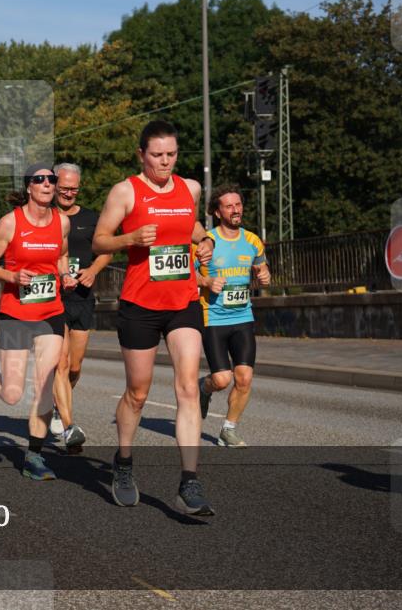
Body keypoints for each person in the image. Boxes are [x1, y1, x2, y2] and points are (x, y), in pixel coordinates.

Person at [92, 120, 217, 515]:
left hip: (183, 301)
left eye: (171, 155)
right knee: (139, 393)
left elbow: (190, 226)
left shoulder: (191, 188)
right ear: (141, 155)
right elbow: (99, 240)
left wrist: (206, 240)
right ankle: (124, 463)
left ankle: (189, 482)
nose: (165, 162)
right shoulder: (125, 191)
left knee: (187, 388)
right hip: (141, 305)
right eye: (157, 155)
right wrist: (129, 239)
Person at [0, 165, 74, 480]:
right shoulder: (10, 223)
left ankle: (34, 456)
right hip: (16, 314)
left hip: (51, 311)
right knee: (12, 394)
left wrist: (64, 274)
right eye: (40, 179)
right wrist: (12, 275)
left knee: (45, 384)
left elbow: (61, 254)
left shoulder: (62, 222)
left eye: (52, 179)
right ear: (28, 187)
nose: (48, 184)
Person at [196, 184, 270, 447]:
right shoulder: (206, 241)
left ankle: (228, 429)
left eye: (238, 204)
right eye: (229, 206)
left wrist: (264, 275)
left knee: (244, 378)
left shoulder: (252, 240)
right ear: (218, 212)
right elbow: (187, 275)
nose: (236, 210)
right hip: (213, 318)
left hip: (243, 317)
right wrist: (206, 282)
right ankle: (203, 388)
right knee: (222, 379)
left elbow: (263, 269)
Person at [50, 162, 112, 453]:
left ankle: (56, 405)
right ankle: (68, 425)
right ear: (53, 184)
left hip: (83, 297)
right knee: (60, 364)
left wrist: (93, 271)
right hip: (53, 298)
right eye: (64, 187)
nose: (69, 192)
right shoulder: (44, 216)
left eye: (74, 188)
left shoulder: (90, 217)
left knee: (74, 367)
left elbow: (105, 250)